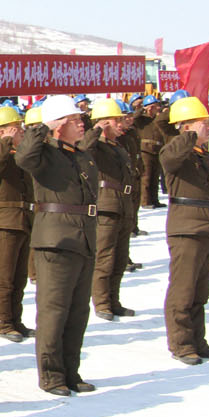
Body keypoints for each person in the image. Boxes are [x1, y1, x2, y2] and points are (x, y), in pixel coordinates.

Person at [15, 95, 99, 396]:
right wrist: (42, 127)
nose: (82, 124)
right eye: (75, 120)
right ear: (59, 125)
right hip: (56, 241)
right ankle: (51, 375)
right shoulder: (44, 154)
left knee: (78, 311)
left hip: (84, 238)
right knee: (54, 311)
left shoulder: (80, 155)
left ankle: (70, 371)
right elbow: (23, 158)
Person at [160, 96, 209, 365]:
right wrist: (188, 134)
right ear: (187, 127)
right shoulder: (175, 150)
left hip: (208, 225)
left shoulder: (202, 154)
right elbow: (170, 159)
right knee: (183, 290)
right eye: (202, 123)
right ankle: (182, 344)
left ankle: (197, 340)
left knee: (199, 291)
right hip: (187, 227)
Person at [0, 106, 34, 342]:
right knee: (5, 277)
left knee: (20, 276)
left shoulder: (18, 154)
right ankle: (1, 323)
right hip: (4, 223)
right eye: (16, 129)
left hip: (24, 220)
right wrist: (6, 138)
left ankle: (15, 319)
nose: (21, 133)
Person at [80, 99, 136, 321]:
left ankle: (114, 300)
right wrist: (96, 130)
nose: (121, 124)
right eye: (116, 120)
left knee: (121, 258)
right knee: (105, 256)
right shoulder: (97, 146)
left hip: (123, 204)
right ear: (104, 123)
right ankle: (102, 301)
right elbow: (83, 149)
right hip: (107, 205)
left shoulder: (118, 146)